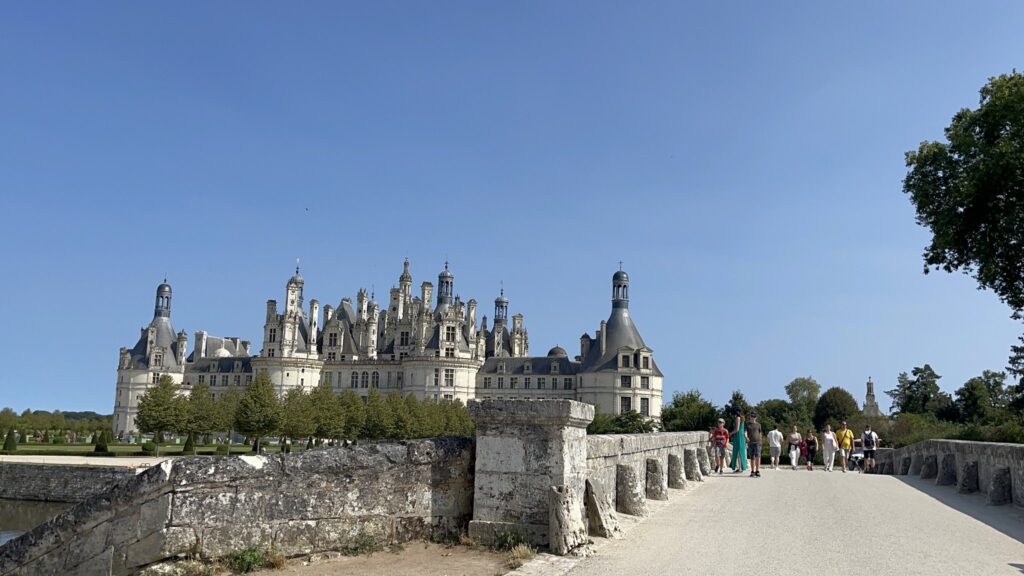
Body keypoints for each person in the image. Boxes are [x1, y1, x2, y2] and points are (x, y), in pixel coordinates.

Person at [745, 412, 762, 477]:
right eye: (751, 416)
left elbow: (760, 433)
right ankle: (752, 471)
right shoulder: (747, 424)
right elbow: (745, 432)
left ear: (756, 417)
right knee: (752, 457)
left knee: (758, 456)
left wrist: (760, 441)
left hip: (758, 442)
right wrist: (746, 437)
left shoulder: (758, 425)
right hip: (750, 442)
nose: (752, 418)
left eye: (754, 417)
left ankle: (757, 470)